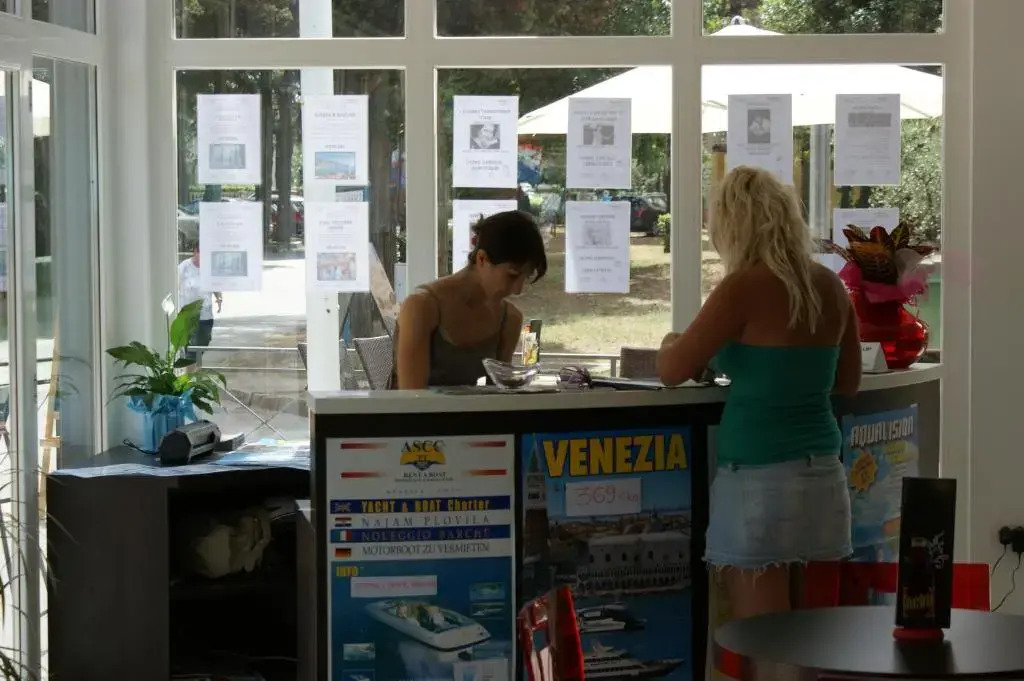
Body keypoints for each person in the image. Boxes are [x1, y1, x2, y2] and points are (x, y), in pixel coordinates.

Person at [656, 165, 862, 620]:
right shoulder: (829, 286)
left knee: (764, 638)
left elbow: (672, 370)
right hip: (824, 476)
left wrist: (672, 342)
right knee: (815, 639)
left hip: (757, 479)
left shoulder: (743, 286)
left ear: (732, 225)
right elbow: (848, 381)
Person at [396, 211, 547, 389]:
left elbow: (498, 395)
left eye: (526, 277)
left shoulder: (509, 319)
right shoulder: (422, 306)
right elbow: (412, 397)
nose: (518, 290)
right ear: (481, 259)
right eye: (512, 275)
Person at [177, 244, 222, 370]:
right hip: (188, 314)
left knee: (204, 341)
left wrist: (219, 298)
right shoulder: (184, 267)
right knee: (192, 347)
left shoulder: (209, 268)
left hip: (206, 314)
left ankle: (194, 369)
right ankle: (191, 374)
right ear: (195, 252)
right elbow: (175, 285)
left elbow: (215, 284)